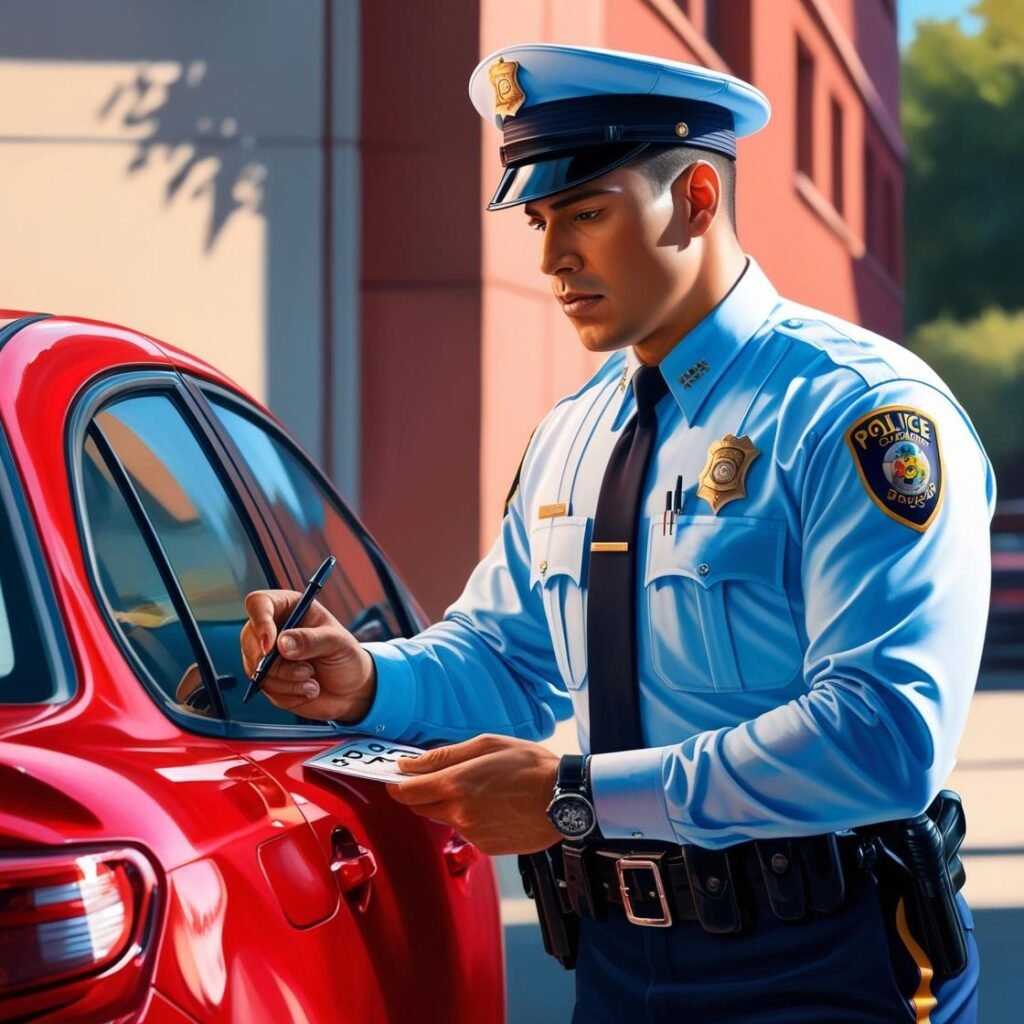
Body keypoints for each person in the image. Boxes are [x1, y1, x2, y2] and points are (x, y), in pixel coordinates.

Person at [240, 44, 991, 1023]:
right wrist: (370, 678)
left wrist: (574, 797)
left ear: (695, 199)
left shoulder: (856, 411)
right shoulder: (574, 432)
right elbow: (507, 658)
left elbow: (884, 738)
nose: (550, 257)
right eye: (541, 219)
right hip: (617, 969)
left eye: (584, 212)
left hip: (829, 963)